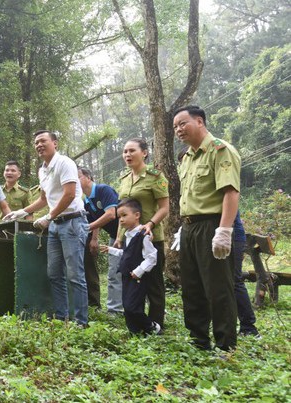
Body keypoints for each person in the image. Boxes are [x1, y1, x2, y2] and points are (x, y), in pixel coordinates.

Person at [4, 130, 89, 326]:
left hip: (72, 222)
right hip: (56, 227)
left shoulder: (65, 163)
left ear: (55, 143)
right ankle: (61, 318)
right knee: (54, 274)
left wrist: (49, 216)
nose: (39, 145)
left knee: (75, 275)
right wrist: (22, 212)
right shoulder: (42, 170)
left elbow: (69, 195)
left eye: (43, 141)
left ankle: (81, 322)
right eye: (36, 143)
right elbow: (44, 199)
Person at [174, 105, 240, 351]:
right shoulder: (187, 157)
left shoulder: (220, 150)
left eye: (183, 123)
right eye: (175, 127)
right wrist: (183, 226)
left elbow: (231, 193)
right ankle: (199, 340)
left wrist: (224, 231)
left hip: (211, 225)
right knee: (191, 287)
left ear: (199, 121)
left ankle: (225, 346)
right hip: (189, 228)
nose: (178, 130)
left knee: (218, 288)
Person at [115, 138, 169, 329]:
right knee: (132, 278)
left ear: (144, 153)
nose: (127, 155)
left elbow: (164, 208)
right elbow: (121, 212)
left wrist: (150, 224)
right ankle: (138, 322)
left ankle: (156, 324)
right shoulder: (123, 180)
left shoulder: (155, 176)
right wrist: (119, 236)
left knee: (154, 283)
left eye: (132, 151)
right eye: (125, 152)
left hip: (150, 237)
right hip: (129, 239)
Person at [102, 198, 160, 335]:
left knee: (132, 306)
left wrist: (139, 271)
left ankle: (151, 326)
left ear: (137, 215)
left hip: (137, 277)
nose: (121, 220)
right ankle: (135, 331)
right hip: (126, 275)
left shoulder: (143, 235)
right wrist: (111, 250)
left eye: (124, 215)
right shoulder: (128, 235)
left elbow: (152, 256)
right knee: (127, 306)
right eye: (119, 217)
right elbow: (127, 254)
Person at [78, 167, 123, 314]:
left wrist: (88, 227)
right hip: (113, 236)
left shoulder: (104, 190)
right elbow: (95, 220)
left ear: (88, 177)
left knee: (137, 270)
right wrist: (94, 239)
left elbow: (111, 214)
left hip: (128, 233)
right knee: (114, 272)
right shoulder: (86, 200)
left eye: (77, 177)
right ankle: (115, 310)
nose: (75, 181)